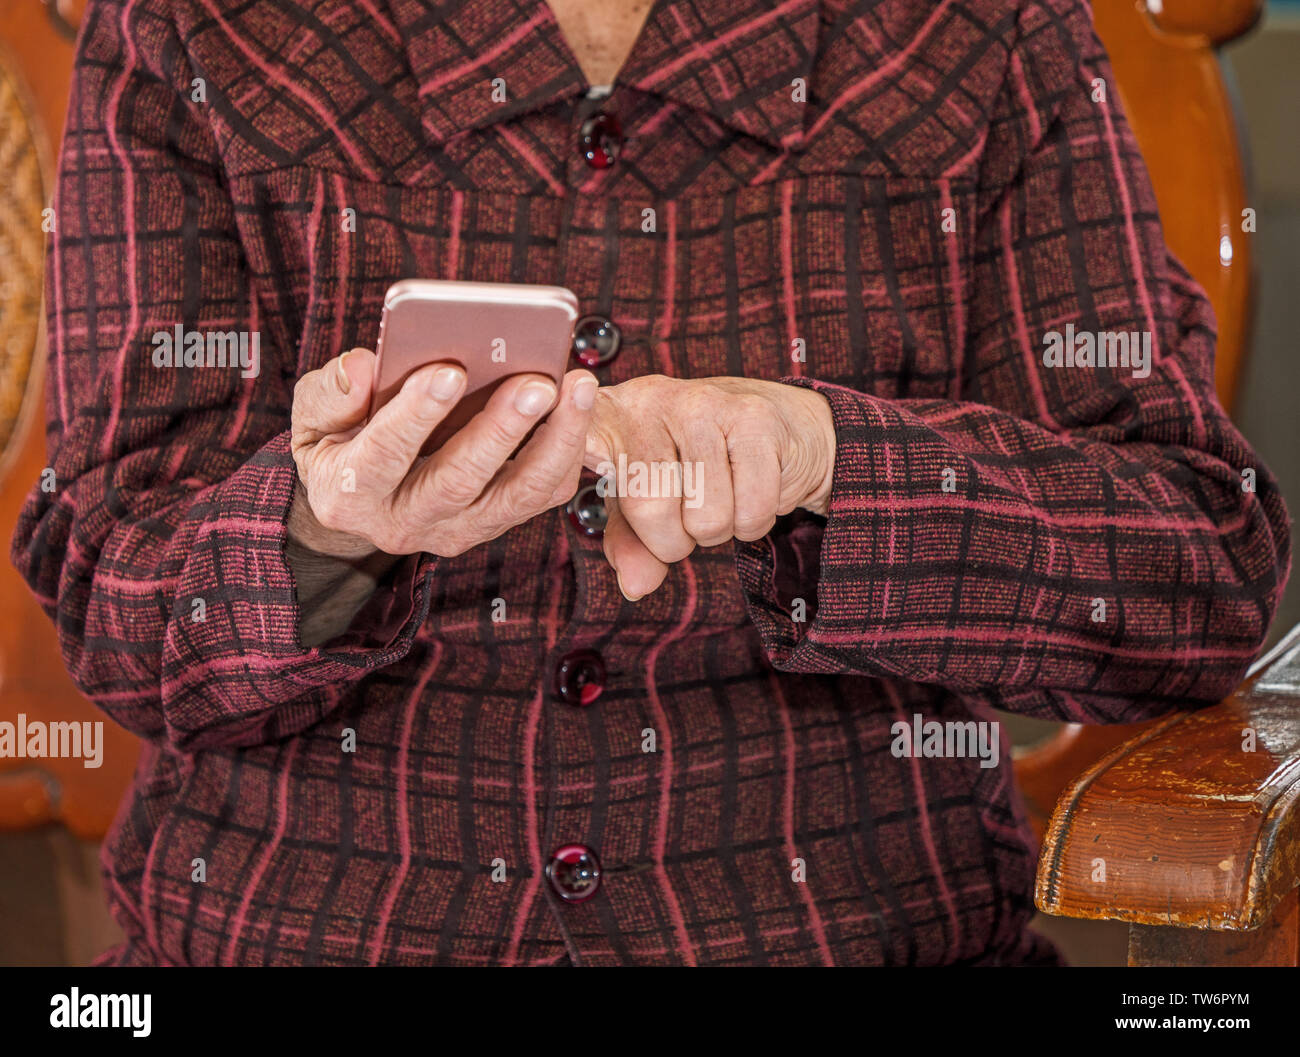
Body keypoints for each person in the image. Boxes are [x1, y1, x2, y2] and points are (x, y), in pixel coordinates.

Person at [11, 0, 1289, 966]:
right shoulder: (197, 26)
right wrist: (317, 534)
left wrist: (841, 467)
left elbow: (1193, 574)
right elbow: (121, 620)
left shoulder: (982, 34)